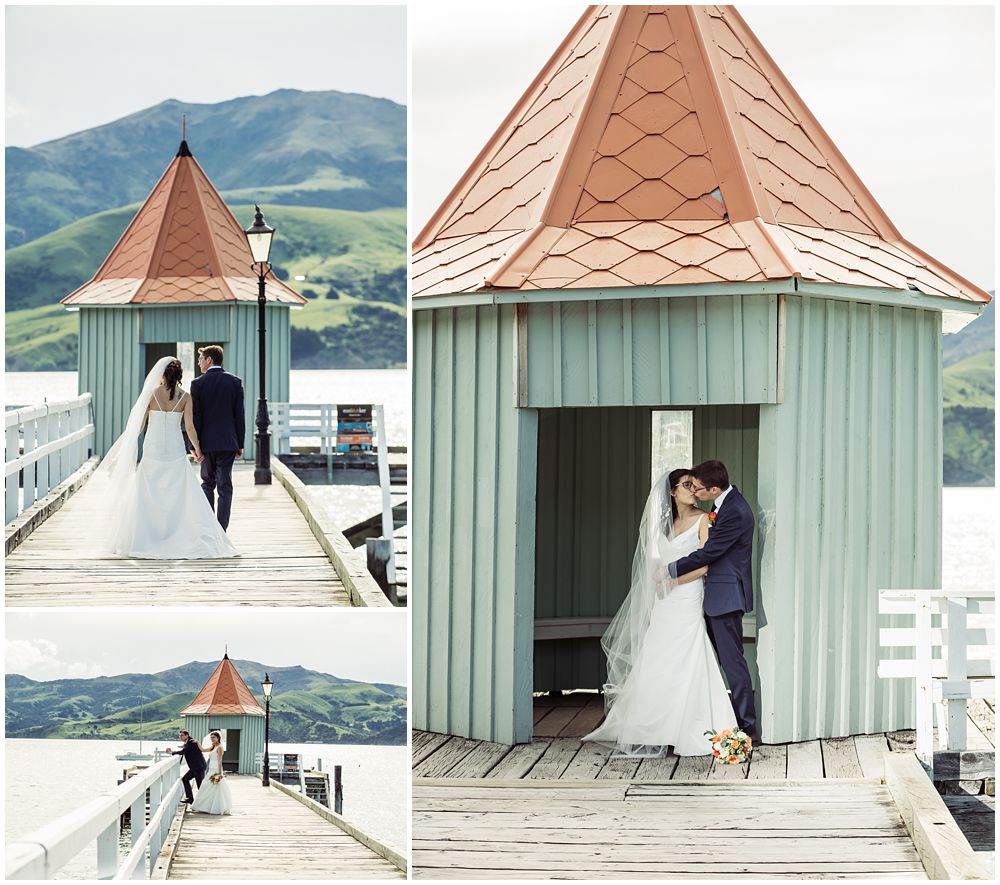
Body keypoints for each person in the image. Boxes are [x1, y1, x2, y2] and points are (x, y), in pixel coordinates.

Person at [584, 468, 736, 756]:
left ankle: (687, 727)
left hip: (686, 596)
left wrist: (670, 581)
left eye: (695, 485)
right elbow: (656, 562)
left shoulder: (704, 520)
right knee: (658, 654)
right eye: (687, 484)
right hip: (663, 601)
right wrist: (658, 579)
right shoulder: (663, 527)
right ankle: (655, 727)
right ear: (672, 491)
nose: (694, 489)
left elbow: (704, 566)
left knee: (687, 652)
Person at [101, 356, 238, 559]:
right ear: (179, 376)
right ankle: (179, 534)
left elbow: (138, 426)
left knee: (149, 489)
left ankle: (147, 536)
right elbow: (189, 427)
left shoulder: (151, 395)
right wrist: (198, 449)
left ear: (162, 375)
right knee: (177, 490)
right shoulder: (185, 397)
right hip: (174, 447)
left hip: (153, 447)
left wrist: (126, 447)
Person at [668, 459, 760, 743]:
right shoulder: (723, 505)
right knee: (713, 662)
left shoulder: (735, 512)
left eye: (698, 488)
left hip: (725, 596)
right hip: (711, 597)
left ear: (714, 488)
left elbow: (710, 552)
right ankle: (718, 718)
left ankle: (748, 729)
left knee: (732, 663)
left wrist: (671, 569)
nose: (694, 492)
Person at [190, 345, 245, 531]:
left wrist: (194, 446)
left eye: (200, 359)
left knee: (207, 484)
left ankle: (209, 528)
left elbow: (195, 417)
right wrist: (240, 443)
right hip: (228, 442)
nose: (198, 363)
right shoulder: (235, 382)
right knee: (225, 487)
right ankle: (222, 531)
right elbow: (239, 415)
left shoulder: (197, 384)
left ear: (209, 360)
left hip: (205, 444)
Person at [190, 731, 233, 815]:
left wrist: (220, 773)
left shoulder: (220, 747)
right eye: (211, 737)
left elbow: (220, 760)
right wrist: (198, 742)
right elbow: (203, 750)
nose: (212, 739)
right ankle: (205, 806)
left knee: (216, 787)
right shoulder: (213, 746)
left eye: (214, 737)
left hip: (216, 769)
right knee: (206, 786)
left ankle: (216, 807)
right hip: (210, 769)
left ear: (218, 738)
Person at [168, 729, 208, 805]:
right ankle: (190, 798)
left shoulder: (191, 742)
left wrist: (172, 752)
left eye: (182, 735)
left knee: (200, 785)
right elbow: (185, 748)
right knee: (185, 779)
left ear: (187, 735)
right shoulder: (188, 742)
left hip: (198, 767)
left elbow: (183, 751)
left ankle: (204, 803)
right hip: (194, 767)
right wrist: (181, 747)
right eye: (179, 735)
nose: (180, 737)